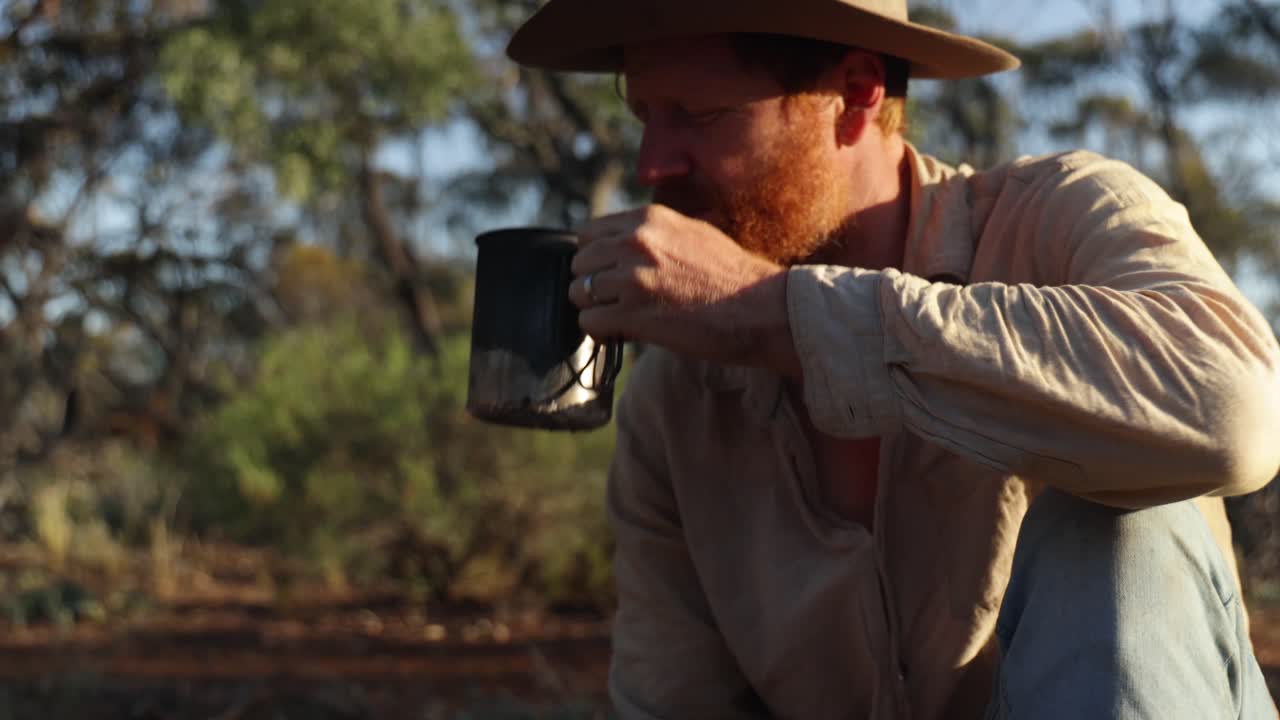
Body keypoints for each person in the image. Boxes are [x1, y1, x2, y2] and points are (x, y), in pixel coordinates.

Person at [507, 1, 1280, 718]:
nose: (652, 165)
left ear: (854, 95)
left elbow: (1237, 412)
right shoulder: (676, 404)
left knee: (1116, 522)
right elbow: (671, 701)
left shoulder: (1058, 221)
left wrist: (776, 313)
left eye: (701, 116)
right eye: (645, 117)